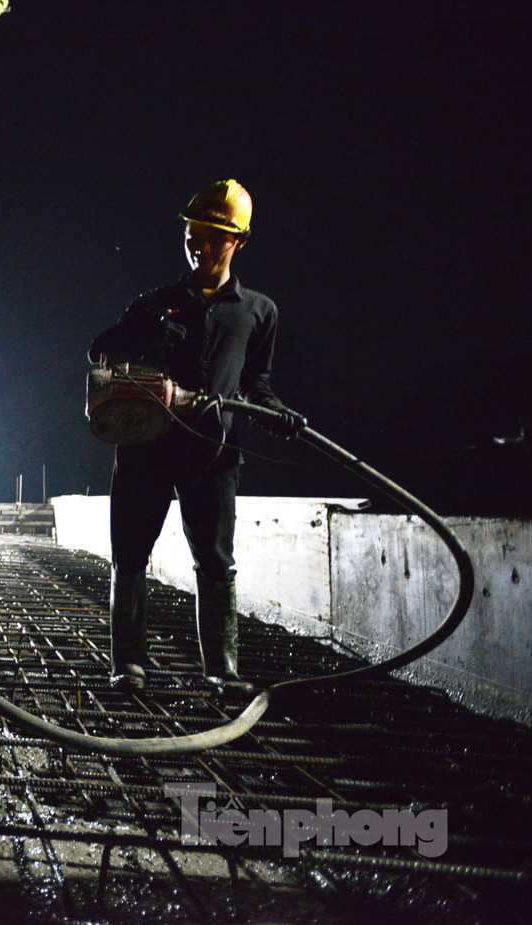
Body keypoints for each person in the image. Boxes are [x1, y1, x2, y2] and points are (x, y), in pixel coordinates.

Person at [88, 179, 306, 695]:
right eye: (192, 235)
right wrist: (145, 339)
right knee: (131, 555)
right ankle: (128, 666)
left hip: (212, 454)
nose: (199, 246)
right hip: (144, 450)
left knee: (214, 562)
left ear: (239, 243)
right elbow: (99, 353)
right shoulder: (153, 305)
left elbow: (256, 385)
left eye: (213, 236)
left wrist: (277, 414)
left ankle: (222, 670)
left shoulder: (258, 312)